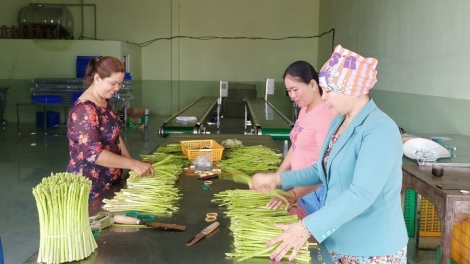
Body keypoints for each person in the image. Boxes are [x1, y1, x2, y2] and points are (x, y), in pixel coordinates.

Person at [249, 45, 408, 263]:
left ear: (352, 88)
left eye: (329, 90)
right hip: (336, 239)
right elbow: (321, 169)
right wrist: (278, 179)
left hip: (370, 248)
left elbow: (361, 194)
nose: (324, 98)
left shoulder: (380, 129)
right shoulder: (338, 122)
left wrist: (306, 228)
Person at [67, 56, 154, 201]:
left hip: (110, 179)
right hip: (90, 184)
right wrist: (133, 164)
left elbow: (115, 136)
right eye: (113, 83)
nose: (117, 88)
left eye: (120, 84)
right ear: (97, 78)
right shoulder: (84, 109)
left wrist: (133, 165)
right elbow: (93, 154)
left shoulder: (105, 103)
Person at [267, 61, 335, 219]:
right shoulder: (305, 109)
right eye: (288, 91)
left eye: (295, 89)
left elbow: (323, 168)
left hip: (314, 190)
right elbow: (296, 146)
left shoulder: (325, 115)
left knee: (313, 238)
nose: (292, 96)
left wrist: (292, 193)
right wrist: (277, 177)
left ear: (312, 84)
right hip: (300, 188)